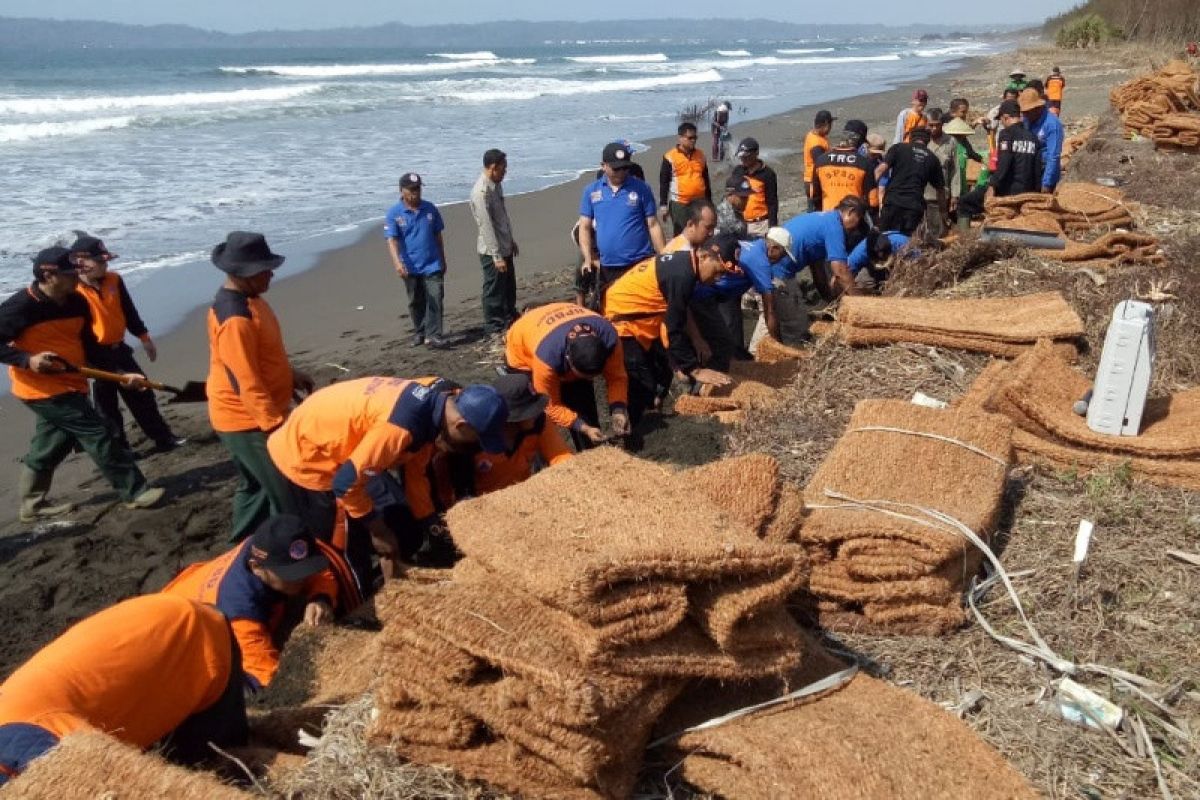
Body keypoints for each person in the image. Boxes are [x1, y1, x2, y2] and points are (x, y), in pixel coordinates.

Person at [267, 377, 509, 580]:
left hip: (353, 452)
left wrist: (430, 523)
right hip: (309, 458)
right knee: (351, 558)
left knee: (406, 531)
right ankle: (356, 603)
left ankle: (391, 578)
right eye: (477, 439)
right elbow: (346, 483)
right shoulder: (401, 427)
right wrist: (379, 531)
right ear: (461, 424)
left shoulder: (435, 406)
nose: (475, 447)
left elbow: (417, 474)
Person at [0, 594, 247, 781]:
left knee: (218, 762)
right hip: (147, 623)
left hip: (190, 637)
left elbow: (109, 772)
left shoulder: (27, 740)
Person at [0, 247, 164, 522]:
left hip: (72, 381)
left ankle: (32, 504)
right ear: (48, 275)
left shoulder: (76, 301)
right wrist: (27, 359)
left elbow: (89, 344)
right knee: (98, 432)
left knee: (53, 443)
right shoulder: (20, 307)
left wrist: (123, 373)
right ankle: (135, 491)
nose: (77, 277)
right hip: (40, 389)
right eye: (69, 273)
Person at [162, 514, 362, 692]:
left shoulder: (264, 546)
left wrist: (321, 597)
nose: (301, 579)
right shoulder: (240, 614)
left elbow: (319, 573)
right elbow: (268, 676)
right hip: (179, 647)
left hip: (194, 589)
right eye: (290, 575)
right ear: (256, 567)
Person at [206, 231, 314, 542]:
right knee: (283, 489)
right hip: (245, 420)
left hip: (255, 412)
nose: (271, 273)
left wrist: (290, 373)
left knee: (253, 487)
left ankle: (240, 543)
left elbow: (260, 356)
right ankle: (285, 551)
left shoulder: (252, 300)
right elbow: (245, 380)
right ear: (243, 273)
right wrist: (274, 425)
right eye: (264, 269)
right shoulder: (234, 319)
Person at [604, 236, 736, 428]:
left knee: (663, 372)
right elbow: (674, 326)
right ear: (705, 256)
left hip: (647, 317)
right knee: (640, 384)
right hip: (622, 319)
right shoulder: (682, 275)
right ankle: (631, 433)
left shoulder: (685, 263)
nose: (717, 279)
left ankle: (653, 413)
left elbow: (673, 318)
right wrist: (695, 370)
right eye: (717, 272)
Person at [70, 234, 184, 456]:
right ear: (81, 263)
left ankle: (164, 438)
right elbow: (78, 333)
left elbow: (128, 311)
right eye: (100, 261)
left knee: (143, 394)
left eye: (105, 261)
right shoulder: (73, 292)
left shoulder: (114, 280)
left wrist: (144, 337)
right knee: (107, 408)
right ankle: (120, 450)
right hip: (93, 356)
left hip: (119, 349)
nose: (105, 265)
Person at [504, 302, 629, 451]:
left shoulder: (609, 337)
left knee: (582, 400)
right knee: (534, 416)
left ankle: (590, 450)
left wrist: (619, 409)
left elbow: (616, 377)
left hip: (559, 322)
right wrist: (582, 427)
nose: (590, 380)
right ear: (569, 361)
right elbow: (550, 405)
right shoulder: (547, 360)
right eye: (583, 375)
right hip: (523, 348)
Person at [578, 142, 665, 310]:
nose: (621, 172)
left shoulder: (641, 188)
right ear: (603, 166)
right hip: (609, 266)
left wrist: (664, 255)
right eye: (616, 168)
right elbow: (584, 227)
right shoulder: (591, 191)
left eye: (625, 168)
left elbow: (653, 225)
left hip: (639, 262)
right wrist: (588, 258)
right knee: (611, 309)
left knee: (642, 306)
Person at [698, 227, 791, 351]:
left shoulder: (755, 244)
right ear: (774, 248)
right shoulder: (761, 262)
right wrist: (780, 346)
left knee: (733, 333)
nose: (782, 259)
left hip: (725, 291)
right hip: (715, 292)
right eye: (783, 254)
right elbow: (770, 310)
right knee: (727, 338)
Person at [385, 173, 449, 348]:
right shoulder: (394, 213)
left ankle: (434, 334)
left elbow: (438, 235)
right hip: (410, 265)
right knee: (416, 300)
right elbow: (392, 240)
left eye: (418, 189)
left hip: (432, 262)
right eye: (412, 190)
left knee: (435, 296)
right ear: (402, 191)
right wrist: (397, 263)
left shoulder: (430, 209)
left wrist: (443, 259)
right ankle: (419, 332)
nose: (416, 193)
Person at [957, 100, 1040, 224]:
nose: (1001, 123)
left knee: (964, 202)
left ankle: (963, 236)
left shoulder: (1006, 134)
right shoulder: (1033, 138)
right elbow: (1037, 168)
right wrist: (1036, 193)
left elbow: (1004, 163)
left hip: (1007, 190)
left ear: (1006, 117)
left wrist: (992, 186)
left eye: (1001, 119)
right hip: (1027, 190)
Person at [470, 149, 519, 337]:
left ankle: (509, 316)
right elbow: (486, 227)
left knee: (508, 286)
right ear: (493, 168)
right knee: (494, 290)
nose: (505, 172)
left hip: (504, 244)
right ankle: (493, 324)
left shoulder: (496, 185)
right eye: (503, 169)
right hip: (491, 251)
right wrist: (496, 256)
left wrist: (511, 240)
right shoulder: (481, 193)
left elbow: (502, 217)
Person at [781, 195, 866, 303]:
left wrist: (829, 299)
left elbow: (818, 270)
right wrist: (861, 302)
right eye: (859, 218)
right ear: (850, 212)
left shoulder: (826, 219)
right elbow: (840, 270)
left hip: (774, 265)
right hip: (778, 271)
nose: (857, 227)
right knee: (794, 317)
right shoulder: (835, 227)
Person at [875, 127, 946, 237]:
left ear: (911, 138)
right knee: (905, 242)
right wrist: (943, 213)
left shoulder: (898, 148)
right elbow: (940, 191)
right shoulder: (933, 158)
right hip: (914, 206)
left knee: (883, 239)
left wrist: (868, 191)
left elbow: (880, 170)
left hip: (893, 202)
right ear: (928, 141)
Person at [659, 122, 711, 236]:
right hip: (680, 203)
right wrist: (663, 205)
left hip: (700, 201)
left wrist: (709, 202)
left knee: (701, 232)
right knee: (682, 235)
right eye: (690, 138)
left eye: (695, 137)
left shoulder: (700, 155)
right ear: (680, 138)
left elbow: (706, 179)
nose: (693, 140)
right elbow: (664, 182)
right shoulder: (670, 157)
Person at [811, 127, 876, 213]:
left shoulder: (821, 160)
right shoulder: (864, 163)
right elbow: (873, 199)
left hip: (828, 213)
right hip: (852, 214)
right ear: (857, 143)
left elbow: (813, 192)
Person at [1020, 87, 1064, 194]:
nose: (1025, 115)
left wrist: (1046, 183)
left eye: (1028, 112)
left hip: (1045, 169)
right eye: (1024, 112)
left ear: (1038, 108)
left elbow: (1053, 156)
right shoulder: (1027, 120)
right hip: (1030, 168)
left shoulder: (1052, 124)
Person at [731, 138, 778, 236]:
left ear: (756, 153)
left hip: (761, 224)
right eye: (741, 157)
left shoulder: (768, 174)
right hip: (741, 223)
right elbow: (732, 196)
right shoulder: (738, 171)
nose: (743, 159)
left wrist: (772, 226)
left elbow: (772, 202)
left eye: (746, 157)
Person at [924, 111, 954, 238]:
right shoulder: (922, 141)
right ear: (926, 124)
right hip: (923, 193)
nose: (934, 128)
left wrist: (955, 195)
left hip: (941, 195)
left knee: (939, 232)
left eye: (937, 125)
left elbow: (955, 170)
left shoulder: (950, 142)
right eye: (931, 125)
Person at [847, 229, 912, 287]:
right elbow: (847, 269)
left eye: (885, 255)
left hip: (903, 267)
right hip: (875, 269)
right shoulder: (860, 252)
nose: (882, 257)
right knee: (861, 280)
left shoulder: (902, 242)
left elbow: (918, 260)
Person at [803, 110, 835, 211]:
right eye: (830, 124)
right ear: (825, 124)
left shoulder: (814, 135)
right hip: (814, 182)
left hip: (812, 180)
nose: (831, 127)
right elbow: (822, 163)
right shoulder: (816, 143)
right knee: (816, 210)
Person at [715, 174, 752, 239]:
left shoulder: (736, 211)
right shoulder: (723, 214)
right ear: (730, 194)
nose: (746, 201)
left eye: (747, 197)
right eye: (742, 197)